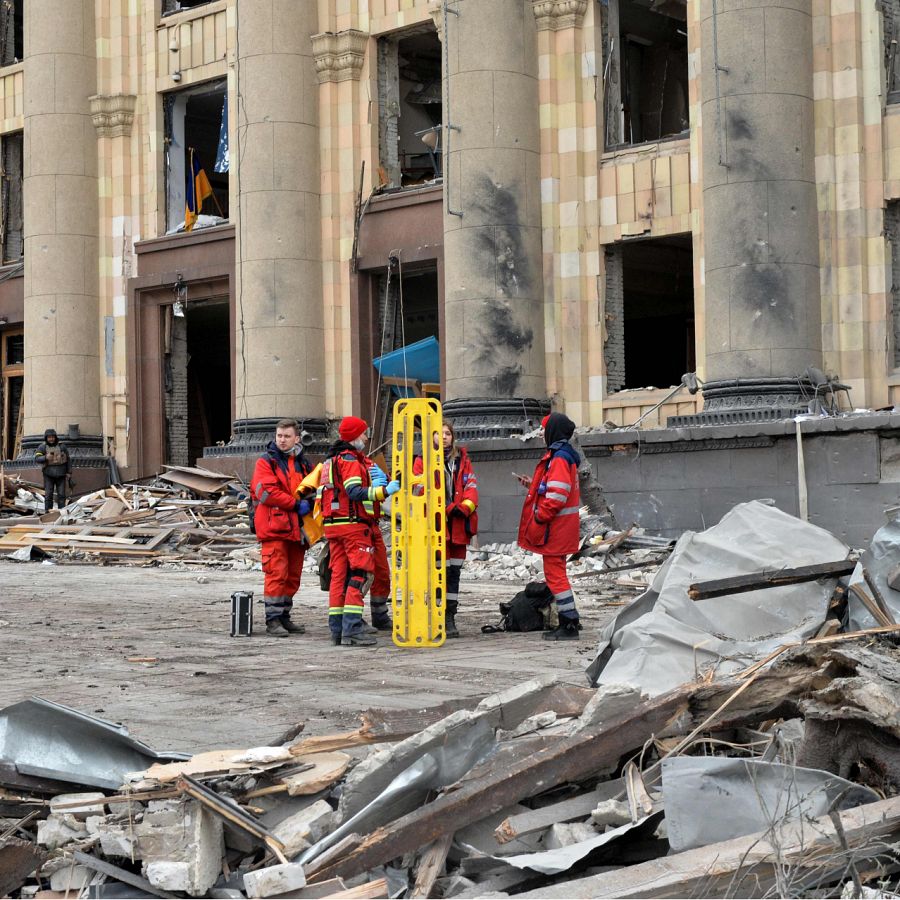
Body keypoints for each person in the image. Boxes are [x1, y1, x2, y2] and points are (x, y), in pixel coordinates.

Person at [320, 416, 400, 647]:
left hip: (334, 526)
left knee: (339, 577)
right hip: (354, 526)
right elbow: (354, 492)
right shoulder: (351, 461)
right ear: (355, 435)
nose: (366, 437)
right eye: (364, 433)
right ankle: (352, 628)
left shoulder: (330, 461)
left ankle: (337, 628)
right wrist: (384, 491)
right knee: (361, 574)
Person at [516, 412, 582, 640]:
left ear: (553, 430)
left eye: (544, 429)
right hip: (561, 528)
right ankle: (570, 619)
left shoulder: (559, 458)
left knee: (556, 576)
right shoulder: (563, 456)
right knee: (557, 574)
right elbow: (553, 489)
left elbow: (556, 497)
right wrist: (531, 486)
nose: (542, 434)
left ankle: (569, 624)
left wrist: (540, 517)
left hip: (555, 529)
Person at [412, 422, 478, 638]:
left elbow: (471, 487)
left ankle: (449, 616)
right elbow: (421, 492)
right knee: (438, 572)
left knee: (453, 573)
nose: (444, 437)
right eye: (439, 433)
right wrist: (448, 508)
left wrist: (464, 508)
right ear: (432, 438)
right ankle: (437, 615)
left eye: (448, 433)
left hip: (458, 526)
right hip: (437, 526)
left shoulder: (462, 460)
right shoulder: (423, 462)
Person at [251, 419, 314, 637]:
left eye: (287, 436)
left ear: (297, 438)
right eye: (279, 435)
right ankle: (273, 620)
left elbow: (313, 487)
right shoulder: (266, 462)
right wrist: (297, 504)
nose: (282, 440)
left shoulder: (303, 464)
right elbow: (266, 493)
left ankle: (284, 617)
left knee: (292, 576)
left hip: (296, 529)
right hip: (274, 528)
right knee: (276, 574)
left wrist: (312, 502)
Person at [34, 429, 71, 513]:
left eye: (53, 437)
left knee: (61, 495)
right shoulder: (42, 447)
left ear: (55, 437)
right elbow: (36, 458)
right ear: (46, 438)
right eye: (49, 437)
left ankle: (62, 514)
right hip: (48, 475)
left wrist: (69, 472)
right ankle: (48, 513)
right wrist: (45, 457)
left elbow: (68, 460)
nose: (51, 439)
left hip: (61, 474)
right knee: (48, 495)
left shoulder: (62, 446)